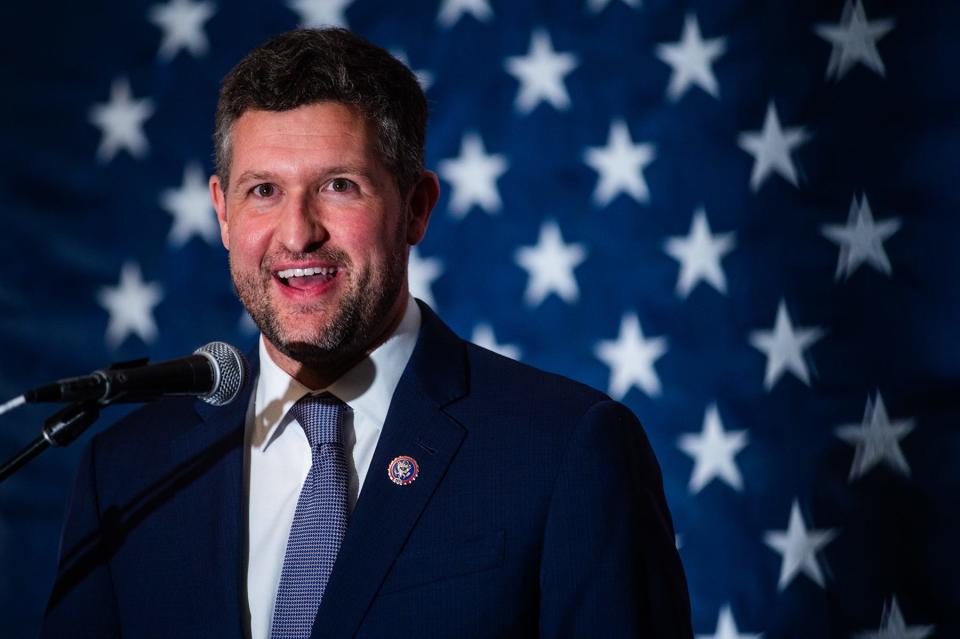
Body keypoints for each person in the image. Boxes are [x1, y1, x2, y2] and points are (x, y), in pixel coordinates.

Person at [41, 28, 692, 638]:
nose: (298, 233)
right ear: (222, 212)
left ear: (416, 207)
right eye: (263, 190)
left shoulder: (565, 449)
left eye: (339, 186)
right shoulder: (129, 469)